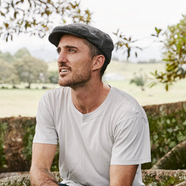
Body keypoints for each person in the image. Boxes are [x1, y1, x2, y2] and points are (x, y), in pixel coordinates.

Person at [30, 23, 151, 186]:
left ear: (97, 62)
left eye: (71, 50)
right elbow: (38, 169)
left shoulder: (128, 112)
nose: (60, 59)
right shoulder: (51, 101)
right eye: (59, 51)